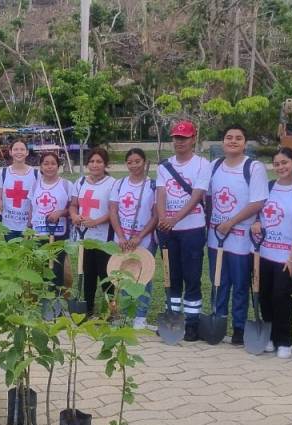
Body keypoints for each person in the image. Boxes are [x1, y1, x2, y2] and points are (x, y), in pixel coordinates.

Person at [206, 125, 268, 346]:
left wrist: (231, 222)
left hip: (241, 238)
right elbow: (206, 197)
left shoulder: (253, 167)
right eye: (228, 137)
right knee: (218, 283)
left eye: (238, 138)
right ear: (223, 142)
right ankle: (218, 321)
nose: (233, 141)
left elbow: (258, 202)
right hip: (216, 237)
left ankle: (239, 328)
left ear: (245, 143)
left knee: (240, 285)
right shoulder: (214, 166)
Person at [251, 147, 292, 359]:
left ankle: (284, 340)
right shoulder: (268, 187)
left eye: (284, 162)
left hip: (286, 255)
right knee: (264, 296)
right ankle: (268, 336)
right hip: (263, 253)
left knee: (282, 297)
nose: (280, 167)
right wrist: (257, 222)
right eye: (276, 164)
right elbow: (258, 214)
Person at [156, 120, 211, 341]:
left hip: (192, 228)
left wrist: (175, 219)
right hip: (168, 230)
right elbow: (161, 193)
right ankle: (173, 316)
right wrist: (162, 218)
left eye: (184, 138)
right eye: (176, 137)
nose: (179, 142)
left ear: (192, 139)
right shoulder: (163, 166)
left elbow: (197, 195)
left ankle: (192, 322)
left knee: (192, 276)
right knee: (172, 276)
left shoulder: (202, 164)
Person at [109, 148, 158, 329]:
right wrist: (121, 236)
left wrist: (139, 236)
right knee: (122, 275)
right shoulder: (120, 184)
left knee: (143, 276)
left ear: (144, 162)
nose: (134, 165)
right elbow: (113, 211)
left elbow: (155, 215)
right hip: (122, 239)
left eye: (137, 161)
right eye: (130, 162)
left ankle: (140, 317)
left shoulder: (152, 185)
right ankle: (126, 314)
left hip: (143, 240)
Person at [69, 148, 116, 315]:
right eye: (92, 161)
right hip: (85, 238)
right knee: (88, 275)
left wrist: (95, 221)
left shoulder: (112, 183)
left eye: (99, 161)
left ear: (105, 164)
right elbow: (74, 205)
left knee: (107, 277)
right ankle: (87, 309)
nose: (95, 165)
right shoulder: (80, 182)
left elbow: (113, 211)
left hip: (105, 239)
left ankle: (111, 312)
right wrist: (74, 216)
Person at [28, 152, 72, 289]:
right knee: (40, 267)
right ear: (40, 166)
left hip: (58, 233)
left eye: (53, 163)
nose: (49, 167)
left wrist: (61, 212)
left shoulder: (66, 185)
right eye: (46, 163)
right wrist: (29, 228)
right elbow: (31, 208)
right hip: (39, 233)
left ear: (58, 166)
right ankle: (42, 299)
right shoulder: (35, 185)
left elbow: (73, 208)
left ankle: (56, 298)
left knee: (57, 268)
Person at [0, 139, 38, 240]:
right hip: (8, 226)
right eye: (16, 149)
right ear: (10, 152)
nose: (19, 152)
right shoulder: (3, 173)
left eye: (22, 149)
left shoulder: (36, 174)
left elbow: (36, 200)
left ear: (27, 152)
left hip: (28, 225)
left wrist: (31, 221)